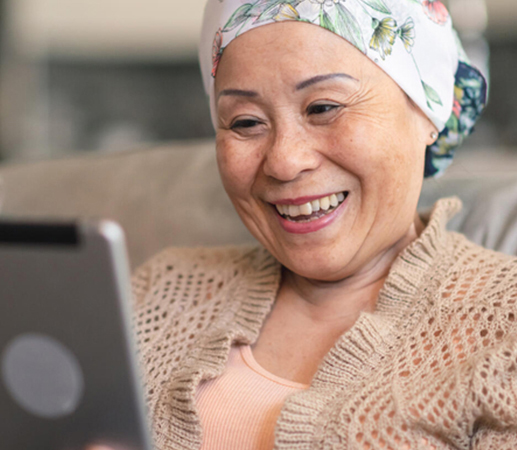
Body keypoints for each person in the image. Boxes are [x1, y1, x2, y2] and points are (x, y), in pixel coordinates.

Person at [131, 0, 517, 449]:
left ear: (426, 111)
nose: (284, 161)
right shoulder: (160, 288)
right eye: (246, 122)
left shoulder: (504, 320)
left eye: (323, 108)